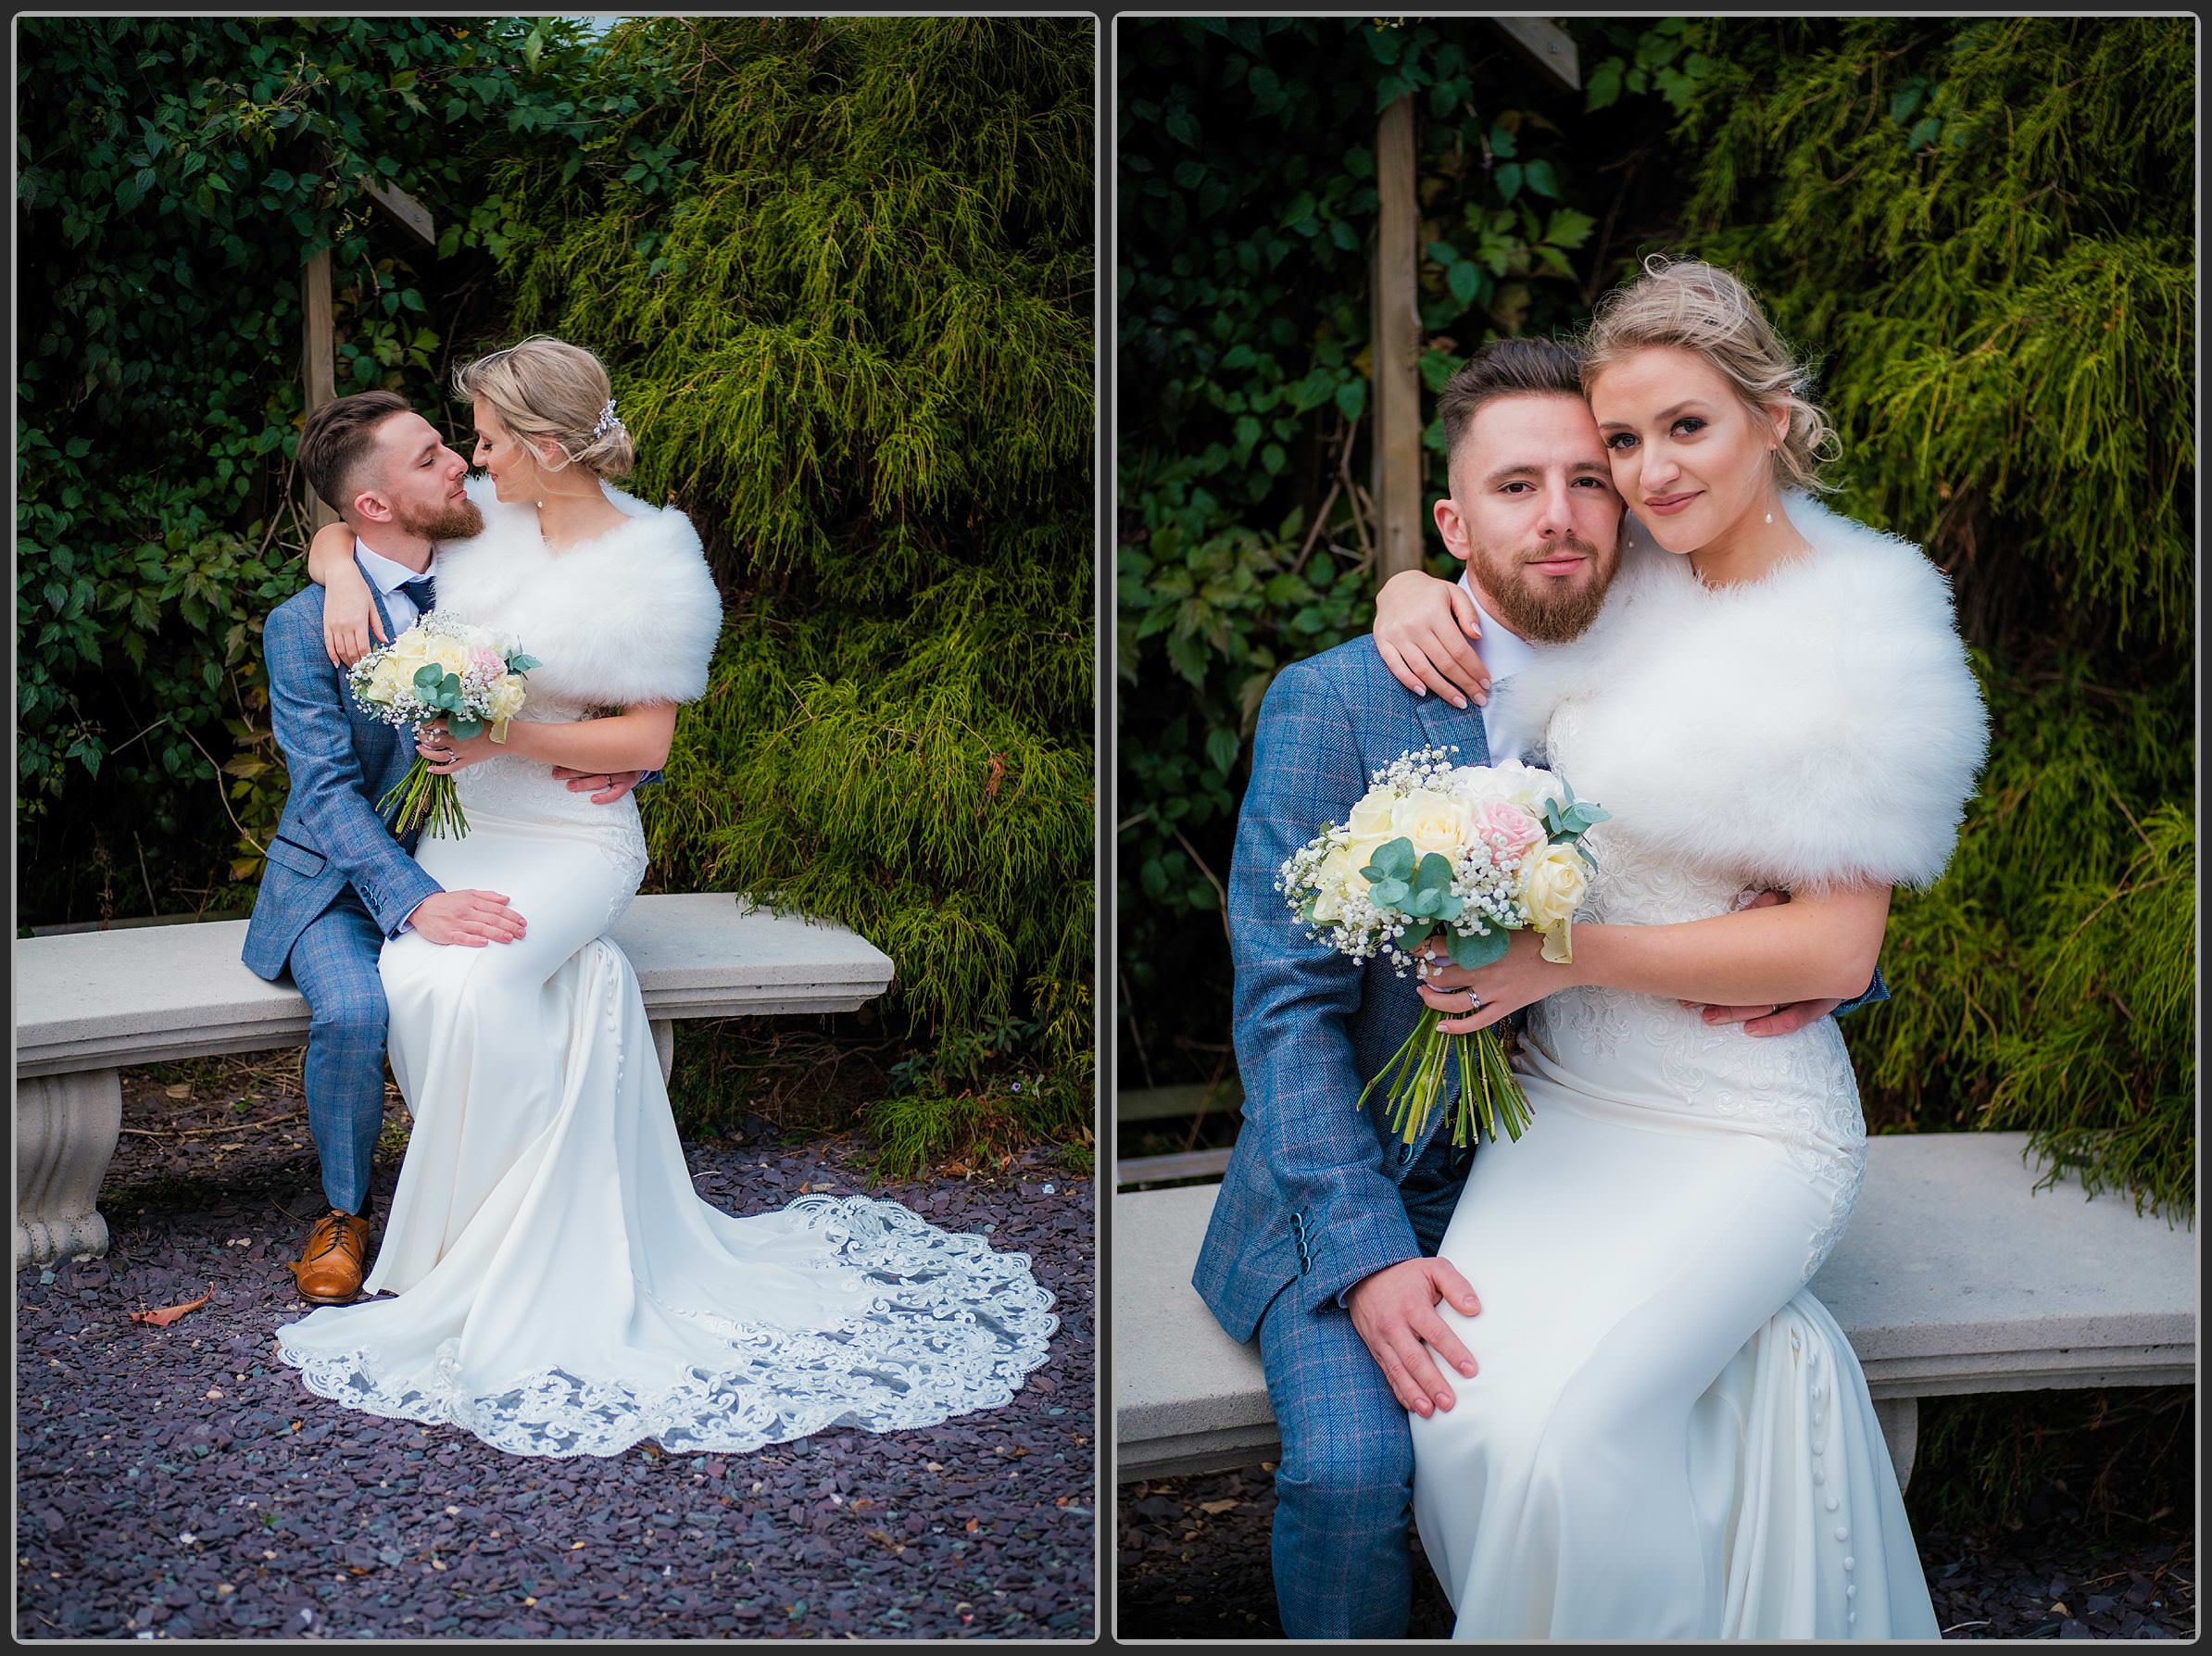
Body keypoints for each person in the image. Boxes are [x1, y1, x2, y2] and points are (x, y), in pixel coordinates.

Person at [1196, 331, 1894, 1639]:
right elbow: (1283, 1011)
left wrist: (1833, 975)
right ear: (1457, 518)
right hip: (1379, 1171)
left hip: (1600, 1149)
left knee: (1586, 1433)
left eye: (1591, 478)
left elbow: (1781, 881)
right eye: (1517, 487)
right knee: (1357, 1468)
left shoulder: (1671, 666)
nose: (1561, 516)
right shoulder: (1339, 702)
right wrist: (1363, 1260)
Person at [271, 336, 1057, 1457]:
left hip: (574, 833)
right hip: (471, 834)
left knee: (485, 981)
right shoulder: (482, 520)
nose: (474, 459)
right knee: (420, 976)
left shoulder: (655, 555)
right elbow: (355, 521)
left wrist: (512, 735)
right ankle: (459, 1244)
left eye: (487, 439)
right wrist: (341, 565)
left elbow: (647, 736)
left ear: (543, 446)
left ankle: (511, 1264)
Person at [1379, 258, 1984, 1637]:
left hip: (1738, 1128)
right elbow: (1508, 591)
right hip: (1574, 1113)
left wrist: (1569, 958)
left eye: (1687, 428)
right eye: (1626, 442)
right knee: (1466, 1424)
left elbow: (1839, 943)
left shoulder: (1867, 625)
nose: (1648, 473)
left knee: (1576, 1432)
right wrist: (1413, 589)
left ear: (1773, 417)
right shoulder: (1636, 583)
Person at [242, 389, 649, 1305]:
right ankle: (344, 1213)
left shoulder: (486, 561)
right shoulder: (303, 629)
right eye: (429, 458)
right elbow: (326, 793)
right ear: (376, 507)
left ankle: (509, 1210)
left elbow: (579, 667)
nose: (458, 462)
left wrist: (630, 765)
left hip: (482, 850)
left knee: (504, 976)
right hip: (340, 883)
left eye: (449, 445)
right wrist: (412, 898)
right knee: (354, 1010)